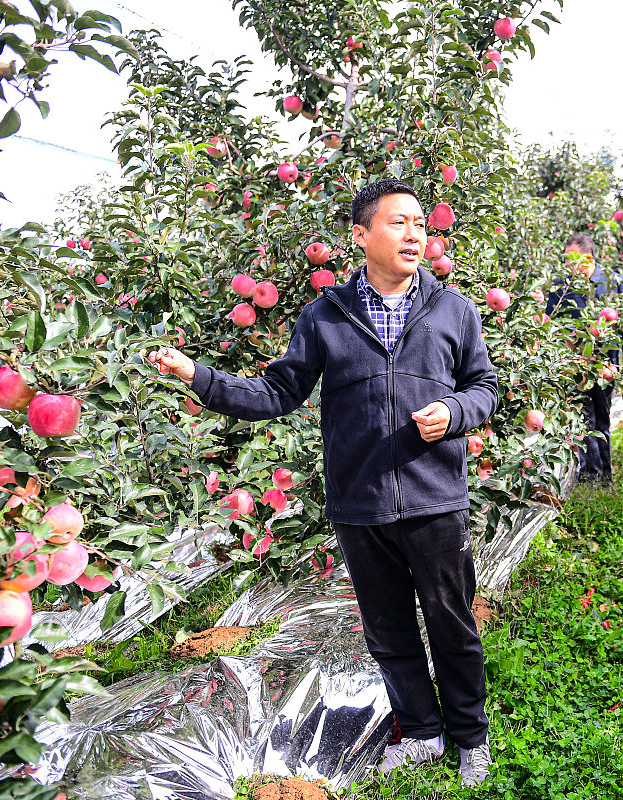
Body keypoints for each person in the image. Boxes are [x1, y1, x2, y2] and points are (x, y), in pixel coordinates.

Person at [147, 179, 499, 785]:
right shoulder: (325, 315)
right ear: (361, 236)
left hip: (434, 497)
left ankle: (469, 737)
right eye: (398, 223)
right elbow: (277, 392)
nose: (415, 233)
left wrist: (456, 415)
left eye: (421, 224)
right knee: (387, 627)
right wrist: (198, 376)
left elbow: (485, 387)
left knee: (451, 620)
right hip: (360, 502)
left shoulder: (454, 310)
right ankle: (420, 728)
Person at [546, 234, 623, 485]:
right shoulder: (562, 287)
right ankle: (590, 476)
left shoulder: (613, 282)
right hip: (577, 366)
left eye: (569, 257)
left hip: (607, 366)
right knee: (584, 420)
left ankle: (605, 475)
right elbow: (550, 323)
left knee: (603, 419)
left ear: (586, 258)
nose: (565, 263)